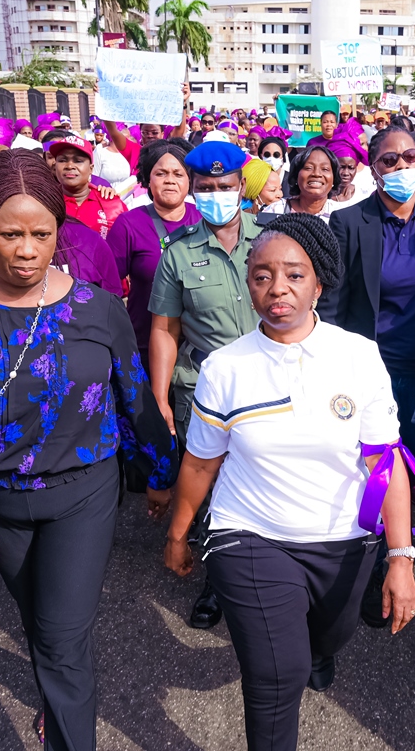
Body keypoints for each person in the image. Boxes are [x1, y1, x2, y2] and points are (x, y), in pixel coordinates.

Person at [0, 149, 178, 749]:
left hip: (82, 496)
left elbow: (135, 397)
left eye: (41, 234)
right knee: (40, 620)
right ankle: (52, 693)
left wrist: (163, 474)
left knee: (64, 638)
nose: (25, 250)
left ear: (60, 231)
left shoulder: (97, 308)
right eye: (8, 234)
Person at [162, 213, 415, 751]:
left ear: (319, 282)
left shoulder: (358, 355)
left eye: (294, 275)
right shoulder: (225, 368)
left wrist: (401, 557)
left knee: (327, 638)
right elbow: (201, 463)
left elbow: (384, 462)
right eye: (260, 275)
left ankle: (318, 648)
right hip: (249, 533)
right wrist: (178, 534)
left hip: (343, 539)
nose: (277, 288)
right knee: (278, 675)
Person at [316, 125, 415, 515]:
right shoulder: (350, 222)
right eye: (390, 159)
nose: (403, 165)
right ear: (375, 169)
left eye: (410, 157)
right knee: (373, 451)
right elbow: (334, 302)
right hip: (374, 360)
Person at [148, 141, 263, 630]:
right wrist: (160, 402)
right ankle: (219, 583)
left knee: (264, 484)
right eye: (208, 188)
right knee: (211, 492)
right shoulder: (178, 254)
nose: (217, 194)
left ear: (242, 188)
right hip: (204, 390)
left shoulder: (273, 239)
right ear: (195, 191)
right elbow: (164, 329)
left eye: (226, 186)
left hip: (270, 387)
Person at [107, 140, 201, 363]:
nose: (170, 180)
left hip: (197, 348)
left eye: (178, 174)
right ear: (148, 179)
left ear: (190, 180)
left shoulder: (203, 219)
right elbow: (108, 286)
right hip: (145, 346)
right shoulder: (129, 224)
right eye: (161, 173)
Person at [53, 135, 127, 238]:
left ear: (91, 169)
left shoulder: (112, 204)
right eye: (62, 160)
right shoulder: (45, 202)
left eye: (78, 161)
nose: (69, 166)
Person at [260, 147, 343, 222]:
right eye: (308, 168)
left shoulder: (342, 214)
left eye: (325, 169)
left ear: (334, 178)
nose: (317, 174)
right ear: (296, 175)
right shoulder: (275, 210)